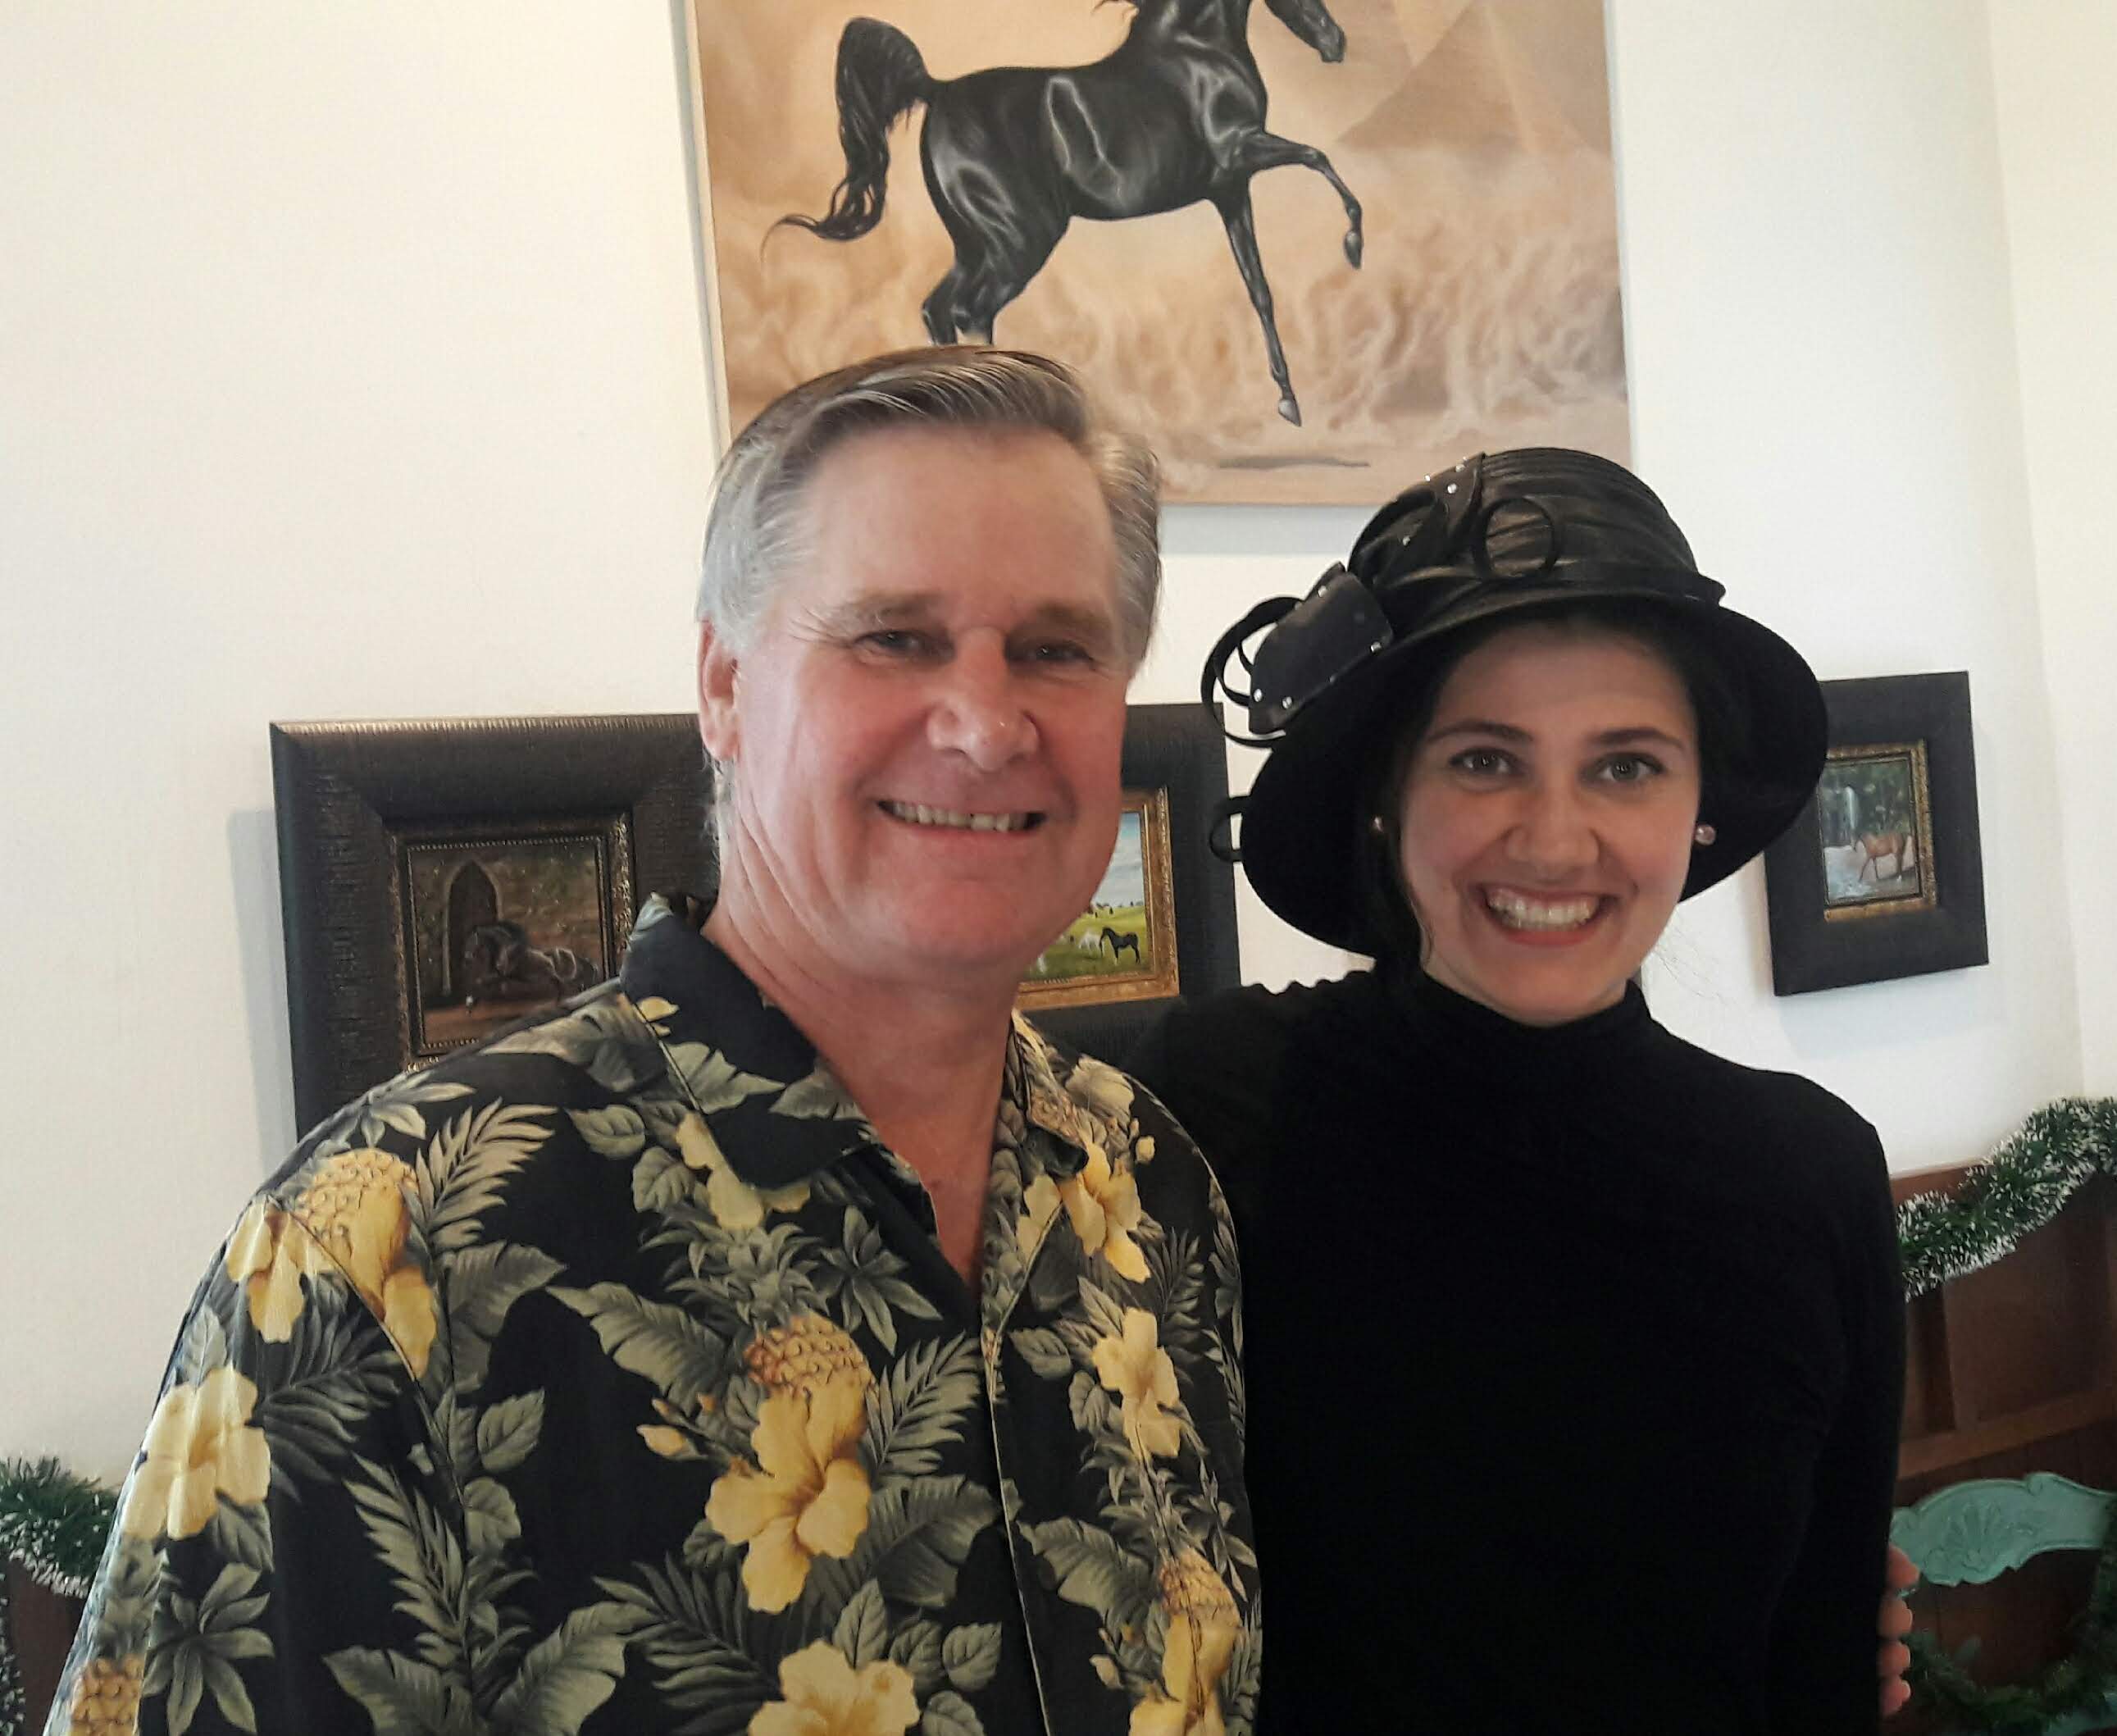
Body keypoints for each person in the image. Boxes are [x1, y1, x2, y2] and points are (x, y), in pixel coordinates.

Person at [47, 349, 1258, 1736]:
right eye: (893, 637)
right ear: (723, 684)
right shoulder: (384, 1247)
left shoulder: (1143, 1189)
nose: (985, 725)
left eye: (1054, 649)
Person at [1133, 447, 1907, 1732]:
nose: (1554, 838)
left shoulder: (1810, 1171)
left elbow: (1820, 1663)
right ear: (1386, 796)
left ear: (1698, 804)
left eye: (1626, 764)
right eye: (1484, 760)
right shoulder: (1206, 1102)